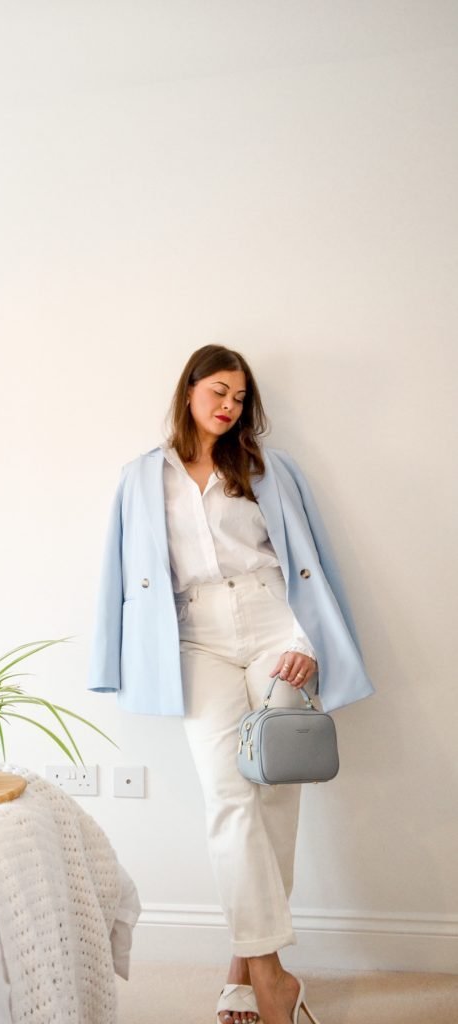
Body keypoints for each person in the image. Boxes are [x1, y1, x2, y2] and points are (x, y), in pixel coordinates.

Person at [87, 345, 374, 1024]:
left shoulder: (269, 469)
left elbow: (304, 563)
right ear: (188, 391)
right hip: (195, 637)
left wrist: (306, 643)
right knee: (228, 795)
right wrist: (110, 660)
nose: (229, 407)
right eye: (218, 391)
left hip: (276, 628)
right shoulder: (140, 478)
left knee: (275, 796)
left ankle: (241, 970)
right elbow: (117, 576)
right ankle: (273, 975)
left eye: (240, 398)